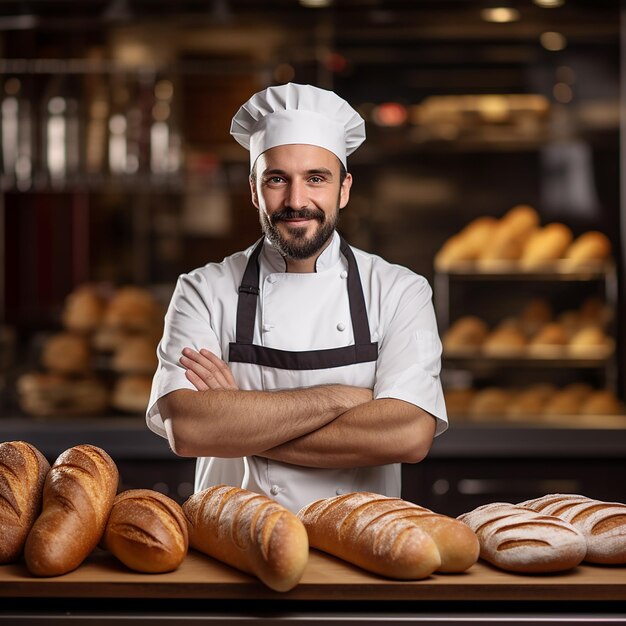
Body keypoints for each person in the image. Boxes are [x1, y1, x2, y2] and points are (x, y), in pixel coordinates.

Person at [146, 82, 448, 514]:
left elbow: (409, 435)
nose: (296, 201)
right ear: (254, 189)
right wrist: (345, 398)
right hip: (232, 549)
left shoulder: (400, 290)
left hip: (361, 550)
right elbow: (191, 429)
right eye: (276, 179)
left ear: (343, 189)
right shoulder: (202, 290)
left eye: (316, 179)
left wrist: (239, 422)